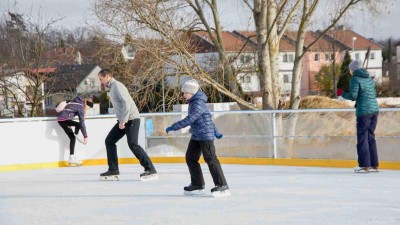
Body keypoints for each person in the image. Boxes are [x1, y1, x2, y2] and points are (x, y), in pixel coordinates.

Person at [166, 79, 230, 197]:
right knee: (190, 157)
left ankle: (222, 185)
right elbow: (208, 118)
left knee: (210, 159)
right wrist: (216, 131)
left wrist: (174, 127)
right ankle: (197, 184)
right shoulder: (194, 102)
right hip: (197, 134)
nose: (183, 95)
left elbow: (191, 119)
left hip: (204, 135)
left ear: (192, 92)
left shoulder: (197, 103)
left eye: (185, 92)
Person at [97, 69, 157, 181]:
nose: (101, 82)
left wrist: (123, 121)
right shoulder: (113, 87)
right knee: (109, 141)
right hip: (124, 120)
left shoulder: (117, 86)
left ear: (107, 76)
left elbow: (126, 103)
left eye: (101, 79)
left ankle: (150, 168)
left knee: (133, 144)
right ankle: (113, 169)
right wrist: (122, 120)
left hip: (131, 119)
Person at [340, 59, 379, 173]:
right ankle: (374, 164)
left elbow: (353, 96)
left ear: (352, 70)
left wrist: (341, 93)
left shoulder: (355, 79)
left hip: (364, 112)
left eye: (350, 70)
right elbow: (371, 95)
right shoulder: (370, 79)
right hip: (374, 110)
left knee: (362, 137)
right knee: (370, 136)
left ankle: (364, 165)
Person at [57, 96, 93, 166]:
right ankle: (77, 134)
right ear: (87, 105)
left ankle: (71, 158)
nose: (88, 109)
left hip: (61, 120)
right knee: (79, 125)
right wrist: (85, 136)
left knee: (72, 138)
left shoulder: (76, 103)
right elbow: (82, 123)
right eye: (89, 108)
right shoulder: (80, 106)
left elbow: (70, 112)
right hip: (64, 119)